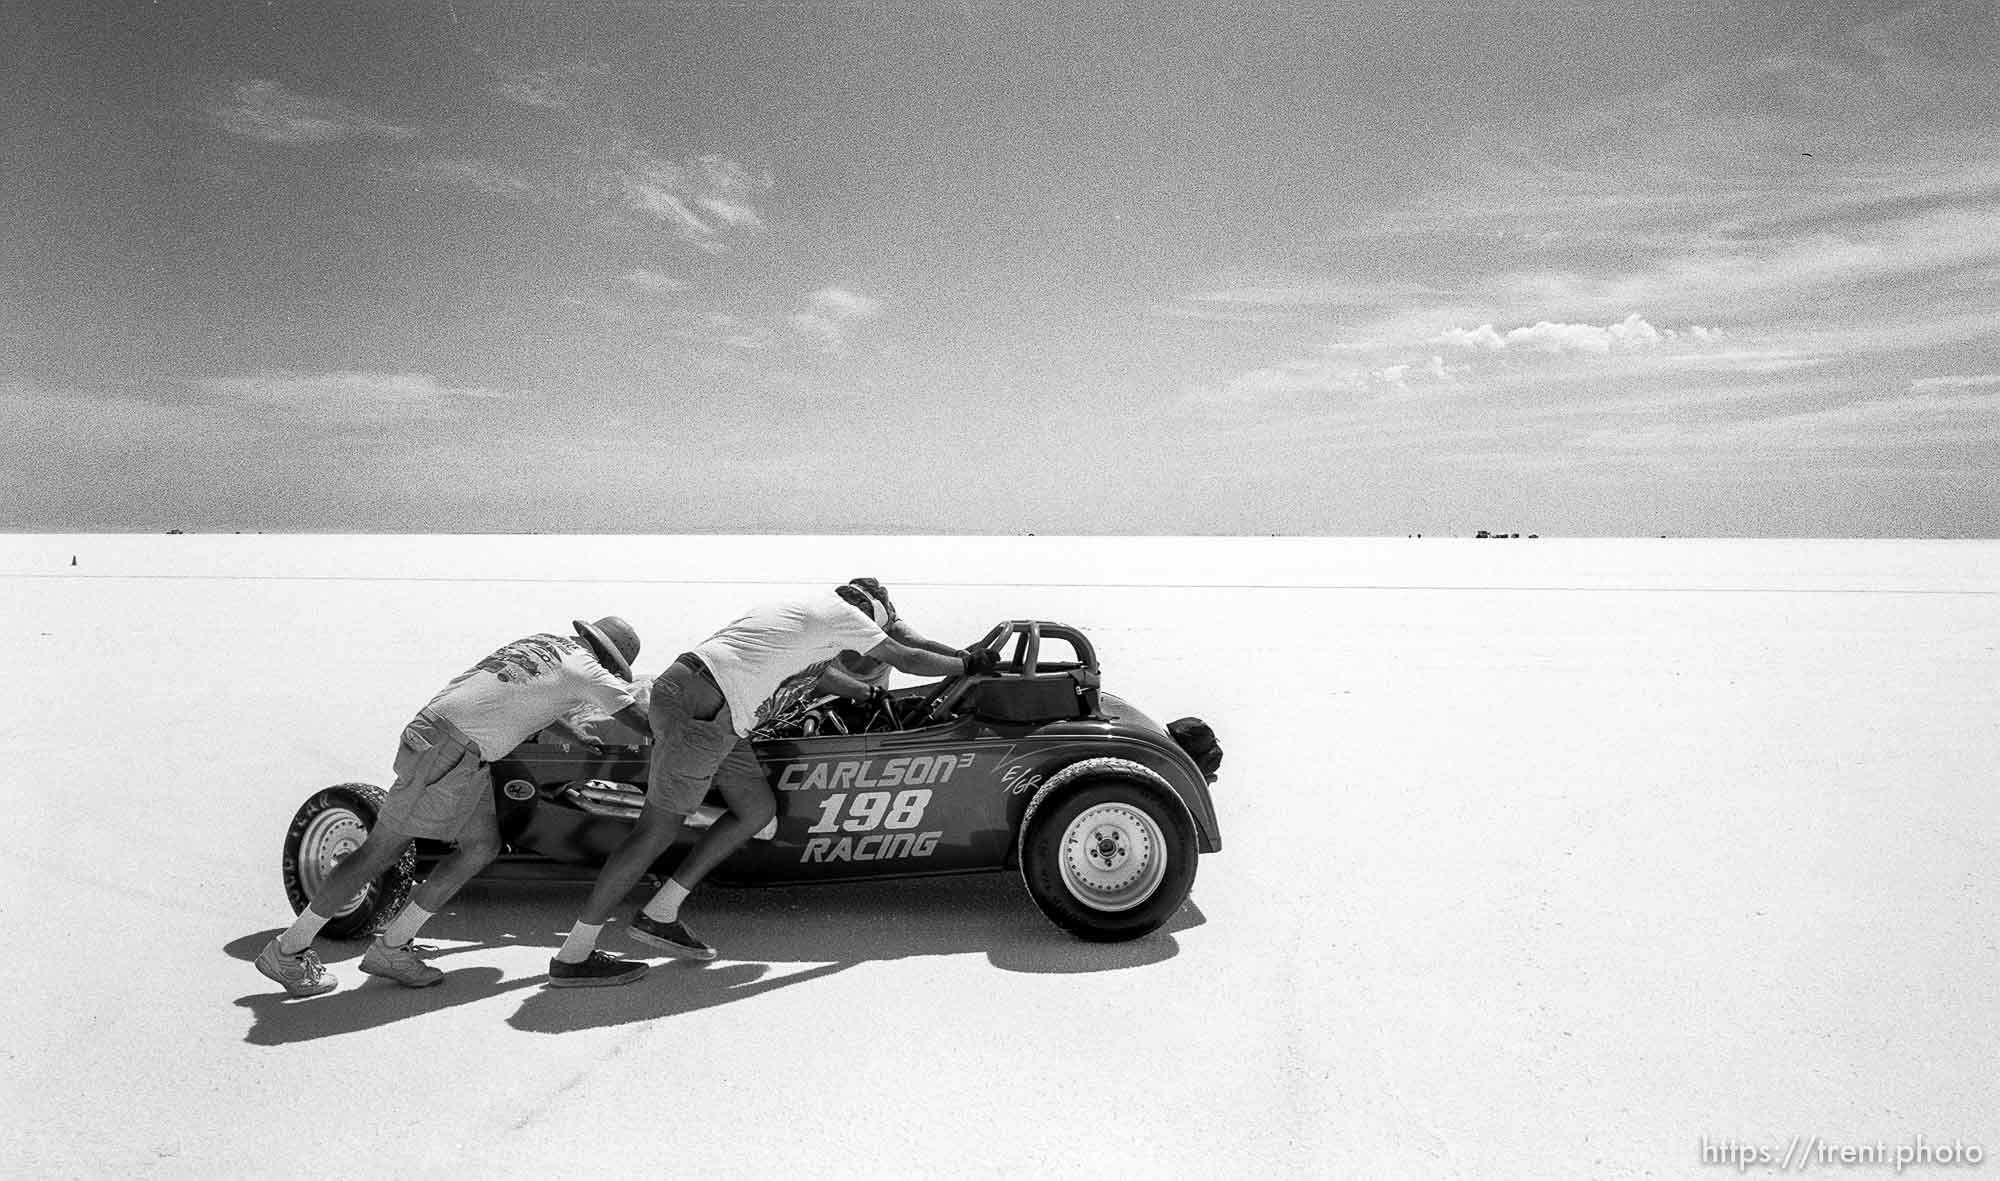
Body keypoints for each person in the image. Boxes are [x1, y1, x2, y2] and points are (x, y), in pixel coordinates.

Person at [549, 579, 998, 983]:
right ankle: (574, 955)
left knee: (756, 809)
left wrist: (868, 693)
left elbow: (819, 672)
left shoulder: (802, 611)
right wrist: (969, 664)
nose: (864, 653)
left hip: (718, 713)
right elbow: (909, 657)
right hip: (703, 716)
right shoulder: (846, 618)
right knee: (656, 831)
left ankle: (661, 910)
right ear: (866, 618)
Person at [255, 617, 651, 998]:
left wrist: (573, 733)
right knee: (381, 851)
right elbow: (635, 715)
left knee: (480, 847)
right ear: (609, 660)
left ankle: (393, 948)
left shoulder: (543, 644)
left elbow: (519, 698)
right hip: (447, 751)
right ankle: (287, 950)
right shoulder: (586, 670)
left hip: (456, 744)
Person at [749, 576, 963, 732]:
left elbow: (920, 648)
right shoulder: (829, 627)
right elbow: (814, 677)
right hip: (819, 709)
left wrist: (964, 658)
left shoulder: (891, 625)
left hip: (871, 712)